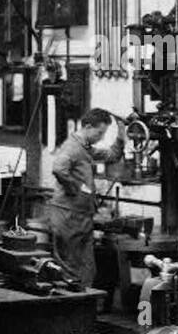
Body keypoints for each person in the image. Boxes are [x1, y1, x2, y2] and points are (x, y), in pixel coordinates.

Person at [47, 108, 124, 287]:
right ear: (88, 127)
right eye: (100, 133)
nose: (101, 137)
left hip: (81, 217)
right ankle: (71, 310)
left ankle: (86, 309)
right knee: (70, 270)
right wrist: (75, 188)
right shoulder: (73, 148)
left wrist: (121, 133)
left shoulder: (85, 149)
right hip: (69, 216)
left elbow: (112, 155)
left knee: (87, 269)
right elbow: (59, 168)